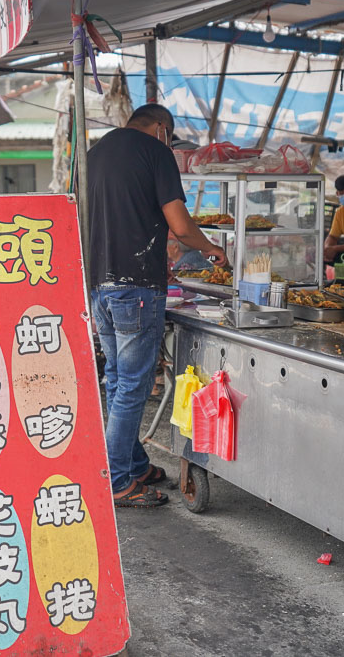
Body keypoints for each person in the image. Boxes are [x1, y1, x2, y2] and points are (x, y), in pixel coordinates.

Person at [88, 104, 228, 509]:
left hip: (100, 284)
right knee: (132, 386)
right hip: (136, 288)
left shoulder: (97, 153)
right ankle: (117, 481)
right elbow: (180, 225)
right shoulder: (156, 152)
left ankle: (134, 465)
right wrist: (211, 248)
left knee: (117, 381)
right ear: (162, 129)